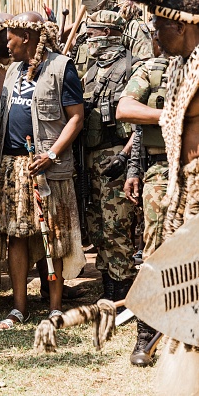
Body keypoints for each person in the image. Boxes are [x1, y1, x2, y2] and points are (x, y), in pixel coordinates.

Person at [0, 12, 85, 329]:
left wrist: (52, 153)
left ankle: (55, 307)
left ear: (26, 37)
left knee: (53, 237)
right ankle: (19, 307)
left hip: (47, 167)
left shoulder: (61, 67)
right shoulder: (14, 69)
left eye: (10, 37)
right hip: (13, 166)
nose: (6, 42)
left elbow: (76, 118)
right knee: (15, 237)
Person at [124, 0, 199, 393]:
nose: (153, 35)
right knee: (177, 276)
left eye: (158, 27)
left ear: (182, 27)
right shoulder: (177, 68)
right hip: (181, 187)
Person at [116, 26, 169, 367]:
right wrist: (171, 117)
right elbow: (126, 111)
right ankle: (145, 337)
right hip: (163, 170)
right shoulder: (153, 69)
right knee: (154, 253)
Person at [81, 10, 140, 304]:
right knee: (96, 225)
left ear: (106, 33)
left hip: (117, 154)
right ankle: (108, 287)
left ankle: (123, 293)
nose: (88, 38)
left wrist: (126, 156)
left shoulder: (131, 68)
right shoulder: (92, 69)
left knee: (117, 224)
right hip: (91, 157)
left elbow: (138, 121)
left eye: (91, 33)